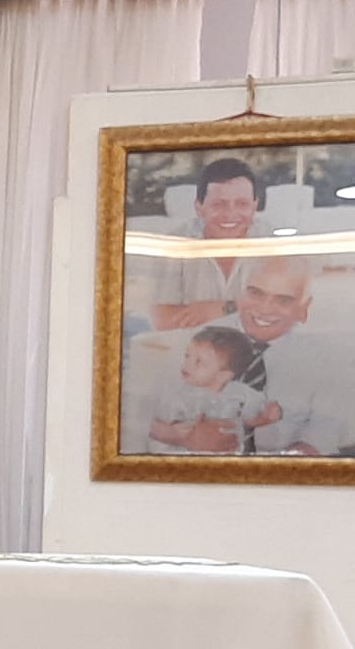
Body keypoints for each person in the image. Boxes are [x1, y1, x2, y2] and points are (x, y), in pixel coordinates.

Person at [175, 254, 350, 456]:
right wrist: (184, 437)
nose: (265, 309)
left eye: (283, 300)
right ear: (240, 295)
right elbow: (161, 415)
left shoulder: (324, 358)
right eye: (256, 293)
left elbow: (327, 429)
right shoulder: (196, 341)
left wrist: (283, 463)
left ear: (304, 308)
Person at [148, 157, 268, 332]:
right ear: (199, 207)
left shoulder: (272, 242)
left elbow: (289, 311)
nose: (230, 214)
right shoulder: (175, 245)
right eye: (219, 204)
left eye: (242, 204)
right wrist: (248, 309)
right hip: (191, 346)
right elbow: (162, 320)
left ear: (255, 206)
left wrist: (223, 308)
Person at [147, 325, 279, 454]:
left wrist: (266, 417)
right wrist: (177, 433)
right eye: (187, 356)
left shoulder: (240, 393)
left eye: (198, 362)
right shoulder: (179, 394)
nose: (187, 364)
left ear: (223, 376)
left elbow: (248, 418)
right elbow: (158, 428)